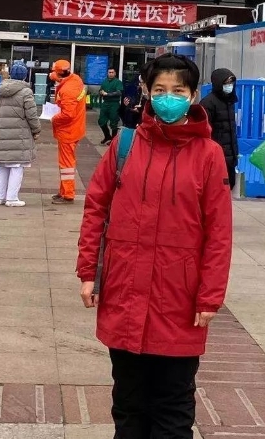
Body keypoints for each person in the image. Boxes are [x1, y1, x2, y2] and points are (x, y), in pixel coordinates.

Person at [77, 53, 233, 439]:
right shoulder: (125, 144)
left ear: (193, 95)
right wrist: (88, 272)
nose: (168, 98)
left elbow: (219, 233)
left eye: (178, 91)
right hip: (124, 291)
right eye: (160, 89)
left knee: (173, 410)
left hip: (178, 298)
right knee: (128, 405)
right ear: (146, 91)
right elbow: (96, 208)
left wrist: (210, 297)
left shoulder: (209, 155)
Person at [0, 62, 41, 207]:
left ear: (11, 74)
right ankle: (12, 198)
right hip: (19, 134)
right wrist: (36, 130)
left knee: (2, 166)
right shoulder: (26, 92)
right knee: (17, 166)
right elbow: (32, 115)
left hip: (1, 132)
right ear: (25, 76)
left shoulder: (1, 90)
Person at [50, 59, 86, 205]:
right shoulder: (76, 79)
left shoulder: (67, 91)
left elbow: (67, 114)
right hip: (76, 127)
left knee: (66, 164)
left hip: (68, 130)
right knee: (65, 163)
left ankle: (68, 194)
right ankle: (64, 191)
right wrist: (55, 77)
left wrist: (53, 118)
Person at [200, 68, 239, 190]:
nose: (229, 86)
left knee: (228, 188)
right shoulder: (208, 103)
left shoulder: (229, 102)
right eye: (226, 83)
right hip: (216, 157)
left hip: (230, 158)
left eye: (231, 82)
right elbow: (204, 132)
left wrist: (234, 154)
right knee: (215, 190)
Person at [118, 61, 151, 130]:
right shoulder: (139, 90)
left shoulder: (154, 96)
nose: (140, 84)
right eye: (140, 82)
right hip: (135, 123)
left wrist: (140, 110)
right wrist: (128, 104)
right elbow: (136, 103)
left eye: (142, 83)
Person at [98, 68, 124, 145]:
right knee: (101, 121)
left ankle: (113, 140)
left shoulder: (118, 82)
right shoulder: (104, 81)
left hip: (114, 104)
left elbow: (119, 92)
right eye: (109, 72)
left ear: (115, 73)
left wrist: (108, 94)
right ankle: (107, 136)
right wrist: (101, 92)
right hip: (105, 103)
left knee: (113, 122)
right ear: (107, 73)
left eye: (112, 72)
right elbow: (100, 90)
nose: (111, 74)